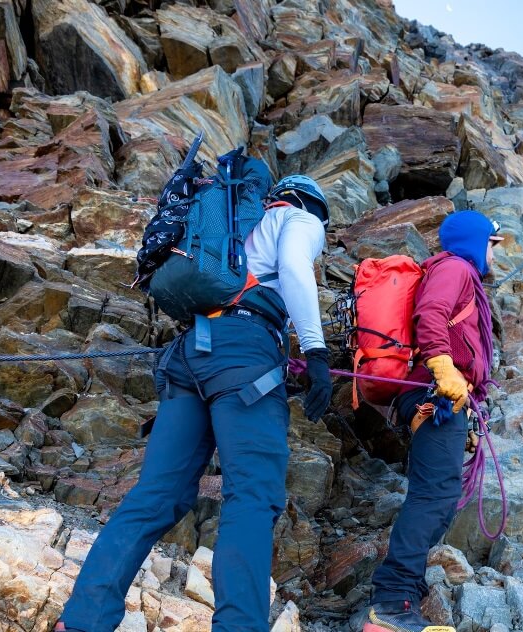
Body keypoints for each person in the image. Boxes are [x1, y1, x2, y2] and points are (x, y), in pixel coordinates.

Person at [56, 173, 334, 632]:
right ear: (311, 206)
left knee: (156, 496)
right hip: (243, 355)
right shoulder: (300, 218)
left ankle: (83, 620)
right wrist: (316, 350)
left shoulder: (236, 223)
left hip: (191, 353)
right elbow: (294, 267)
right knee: (251, 495)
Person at [366, 211, 501, 632]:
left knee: (440, 498)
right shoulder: (456, 267)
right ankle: (390, 604)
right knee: (433, 496)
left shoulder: (460, 273)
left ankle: (400, 600)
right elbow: (432, 312)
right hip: (434, 393)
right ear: (477, 242)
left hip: (442, 397)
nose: (496, 253)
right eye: (493, 244)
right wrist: (443, 368)